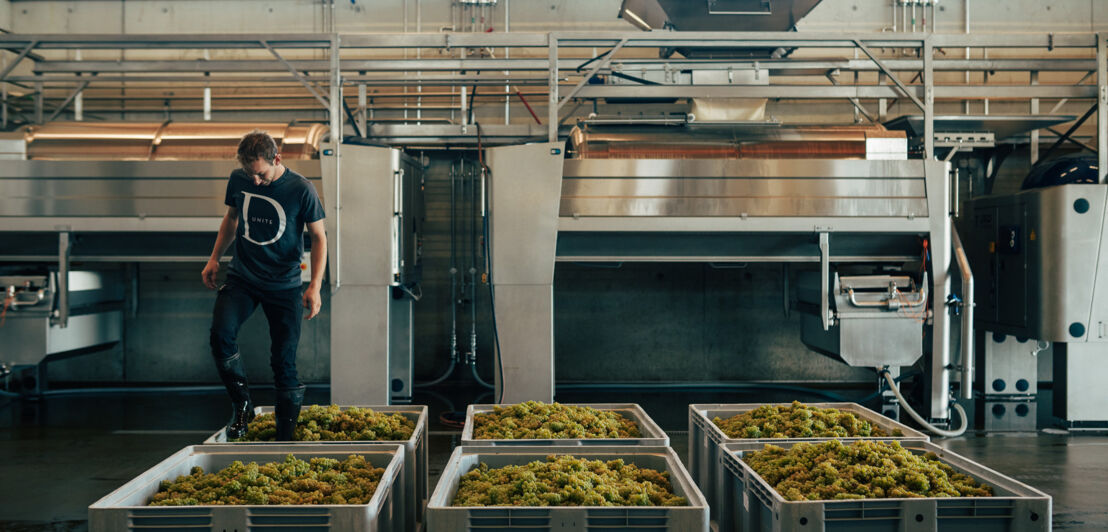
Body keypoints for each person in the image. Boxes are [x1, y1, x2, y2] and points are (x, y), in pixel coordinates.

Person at [202, 130, 326, 441]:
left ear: (277, 159)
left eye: (260, 174)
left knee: (284, 361)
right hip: (243, 278)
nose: (254, 181)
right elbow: (231, 218)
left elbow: (319, 237)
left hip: (284, 286)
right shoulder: (239, 179)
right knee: (221, 334)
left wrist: (315, 286)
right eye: (249, 173)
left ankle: (285, 438)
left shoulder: (301, 189)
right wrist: (215, 257)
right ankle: (242, 407)